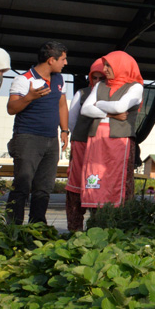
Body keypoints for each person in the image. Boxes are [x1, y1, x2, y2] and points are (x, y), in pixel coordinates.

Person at [5, 41, 69, 224]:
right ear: (51, 60)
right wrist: (29, 97)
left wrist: (64, 130)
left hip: (51, 139)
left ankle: (38, 226)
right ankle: (13, 227)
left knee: (44, 186)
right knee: (22, 185)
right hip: (27, 138)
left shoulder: (59, 79)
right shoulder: (24, 79)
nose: (65, 63)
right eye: (63, 59)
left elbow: (62, 105)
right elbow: (11, 108)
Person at [78, 51, 143, 210]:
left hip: (119, 139)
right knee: (95, 177)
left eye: (109, 65)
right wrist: (109, 114)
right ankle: (96, 216)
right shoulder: (100, 85)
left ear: (121, 66)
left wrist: (98, 103)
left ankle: (117, 217)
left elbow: (120, 107)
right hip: (97, 138)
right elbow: (85, 109)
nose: (105, 69)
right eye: (105, 65)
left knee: (116, 178)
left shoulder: (135, 87)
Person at [65, 59, 105, 231]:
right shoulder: (82, 93)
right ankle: (75, 229)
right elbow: (72, 121)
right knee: (76, 183)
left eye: (102, 78)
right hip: (82, 143)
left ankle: (97, 229)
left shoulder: (113, 95)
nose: (97, 82)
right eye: (94, 78)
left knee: (98, 183)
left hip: (101, 146)